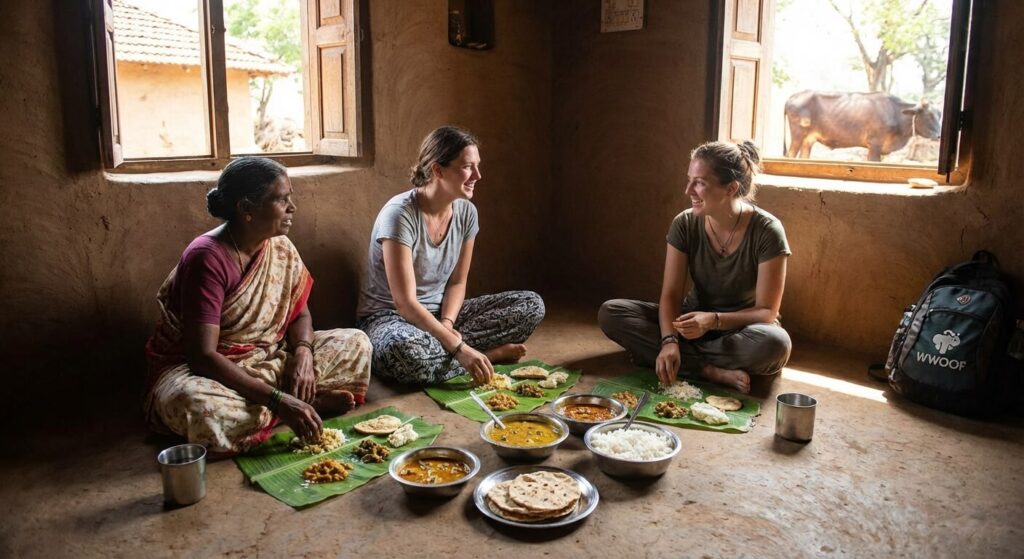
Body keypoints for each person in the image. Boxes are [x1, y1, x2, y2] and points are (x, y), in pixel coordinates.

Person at [144, 157, 372, 455]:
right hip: (212, 373)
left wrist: (302, 354)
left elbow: (299, 312)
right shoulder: (206, 258)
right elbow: (202, 357)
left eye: (291, 198)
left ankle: (278, 408)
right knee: (198, 406)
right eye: (281, 200)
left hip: (268, 357)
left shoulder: (279, 245)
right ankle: (300, 404)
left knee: (357, 343)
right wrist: (278, 399)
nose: (292, 208)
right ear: (247, 209)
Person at [598, 141, 792, 394]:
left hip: (740, 331)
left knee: (775, 345)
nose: (688, 190)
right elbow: (670, 295)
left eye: (700, 182)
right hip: (691, 324)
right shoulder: (684, 223)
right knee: (611, 313)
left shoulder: (768, 231)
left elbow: (767, 312)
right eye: (689, 179)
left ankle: (679, 362)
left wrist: (713, 320)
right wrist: (669, 340)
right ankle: (707, 370)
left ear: (731, 189)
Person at [357, 126, 545, 386]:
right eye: (468, 167)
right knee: (407, 355)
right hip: (391, 319)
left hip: (440, 314)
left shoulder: (467, 213)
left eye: (477, 166)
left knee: (531, 305)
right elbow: (406, 303)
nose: (477, 175)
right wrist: (458, 347)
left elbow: (457, 282)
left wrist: (447, 323)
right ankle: (486, 356)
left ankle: (449, 355)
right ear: (437, 170)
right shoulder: (399, 215)